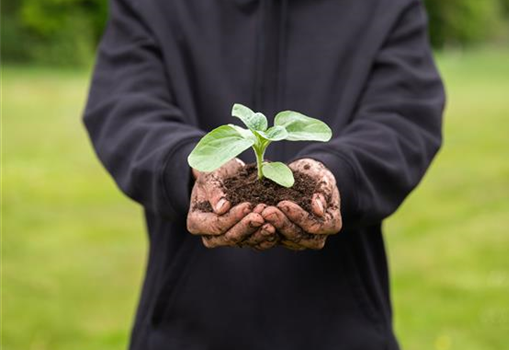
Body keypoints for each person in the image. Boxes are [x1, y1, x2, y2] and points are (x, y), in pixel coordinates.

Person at [83, 0, 445, 348]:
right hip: (185, 330)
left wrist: (341, 174)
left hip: (342, 329)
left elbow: (403, 117)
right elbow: (123, 105)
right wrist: (186, 165)